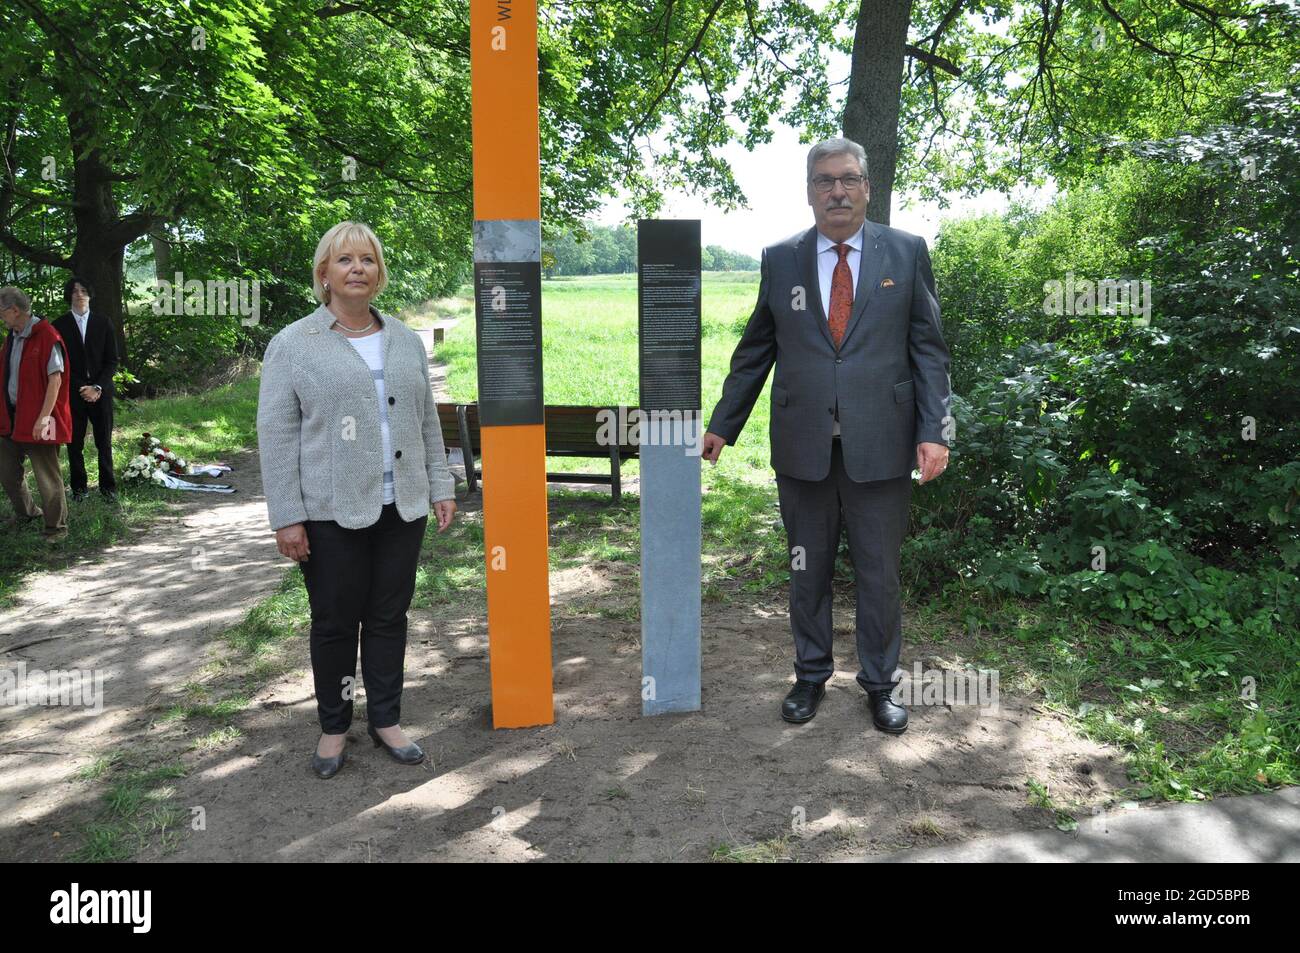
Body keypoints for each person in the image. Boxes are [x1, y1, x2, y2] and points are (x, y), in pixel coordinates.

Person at [701, 138, 952, 734]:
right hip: (804, 446)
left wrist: (935, 430)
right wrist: (722, 423)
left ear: (867, 186)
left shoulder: (906, 252)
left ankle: (880, 685)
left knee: (878, 573)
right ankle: (810, 677)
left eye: (847, 179)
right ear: (809, 191)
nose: (836, 190)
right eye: (823, 181)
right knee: (806, 569)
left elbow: (929, 351)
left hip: (883, 445)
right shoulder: (782, 257)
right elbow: (757, 347)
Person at [257, 221, 458, 779]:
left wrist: (440, 484)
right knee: (336, 622)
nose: (357, 269)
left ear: (379, 272)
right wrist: (287, 517)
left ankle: (387, 720)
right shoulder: (294, 344)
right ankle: (333, 727)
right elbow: (276, 437)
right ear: (324, 274)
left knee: (390, 615)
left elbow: (424, 421)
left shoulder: (403, 340)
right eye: (344, 260)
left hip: (402, 507)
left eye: (367, 260)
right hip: (328, 513)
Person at [0, 287, 72, 543]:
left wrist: (43, 419)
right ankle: (28, 514)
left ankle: (56, 529)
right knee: (6, 471)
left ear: (14, 310)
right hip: (11, 419)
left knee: (47, 476)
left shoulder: (47, 336)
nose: (1, 318)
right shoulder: (12, 337)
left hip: (42, 420)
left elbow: (56, 382)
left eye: (2, 312)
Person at [53, 276, 119, 503]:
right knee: (74, 443)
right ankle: (79, 489)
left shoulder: (104, 322)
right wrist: (83, 388)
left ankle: (108, 488)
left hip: (102, 392)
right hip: (73, 393)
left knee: (104, 442)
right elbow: (59, 365)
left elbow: (112, 361)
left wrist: (97, 386)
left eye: (83, 290)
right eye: (74, 291)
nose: (79, 294)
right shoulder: (58, 326)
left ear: (90, 294)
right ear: (68, 296)